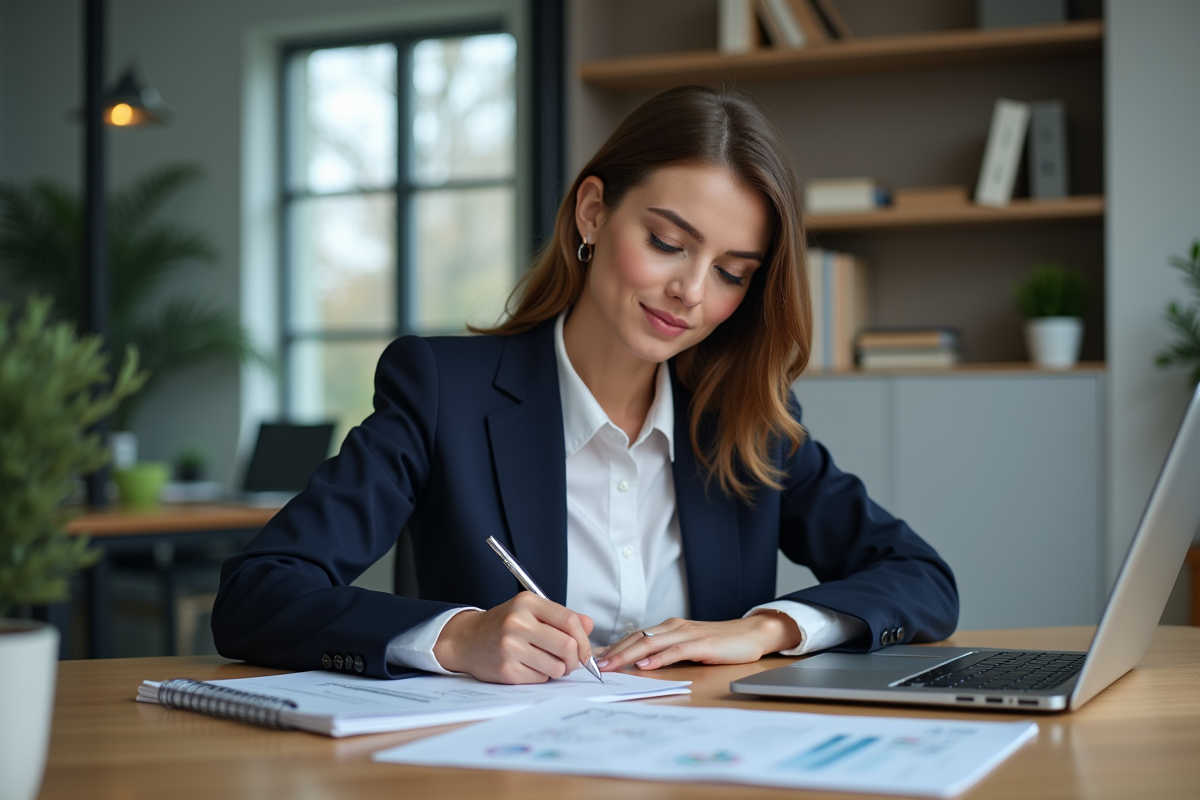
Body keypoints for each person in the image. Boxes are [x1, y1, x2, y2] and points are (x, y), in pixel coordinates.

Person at [212, 86, 958, 684]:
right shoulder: (443, 391)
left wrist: (766, 629)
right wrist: (453, 637)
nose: (691, 292)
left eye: (732, 272)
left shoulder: (744, 418)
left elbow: (921, 577)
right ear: (594, 211)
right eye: (667, 243)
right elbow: (257, 594)